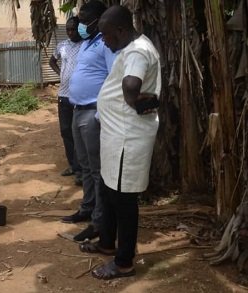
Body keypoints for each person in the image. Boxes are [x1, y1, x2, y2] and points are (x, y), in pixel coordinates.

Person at [79, 5, 161, 280]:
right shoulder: (131, 47)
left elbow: (131, 85)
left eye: (105, 35)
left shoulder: (138, 50)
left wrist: (132, 100)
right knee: (108, 191)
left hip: (128, 138)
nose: (103, 40)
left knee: (124, 201)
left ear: (121, 30)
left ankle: (124, 262)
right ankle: (106, 242)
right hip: (117, 138)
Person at [60, 0, 117, 242]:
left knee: (96, 170)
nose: (80, 24)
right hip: (77, 109)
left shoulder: (106, 44)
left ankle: (98, 220)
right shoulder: (86, 43)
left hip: (94, 112)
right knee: (83, 166)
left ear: (98, 20)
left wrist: (100, 113)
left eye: (84, 21)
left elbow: (114, 77)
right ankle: (87, 208)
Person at [49, 16, 83, 186]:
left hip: (79, 97)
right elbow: (52, 60)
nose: (70, 32)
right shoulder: (62, 45)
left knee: (79, 133)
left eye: (74, 29)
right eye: (68, 29)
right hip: (63, 95)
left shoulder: (86, 45)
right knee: (65, 131)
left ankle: (80, 169)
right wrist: (61, 74)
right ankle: (72, 165)